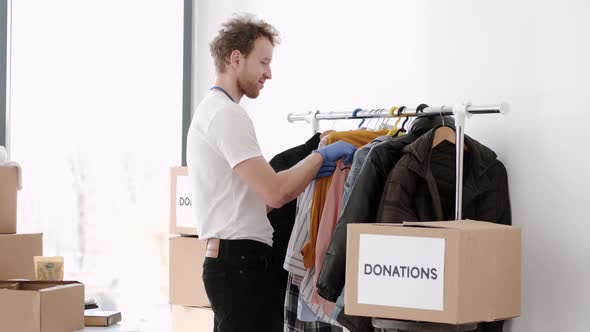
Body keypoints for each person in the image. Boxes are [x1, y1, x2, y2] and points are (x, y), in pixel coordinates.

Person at [186, 14, 356, 332]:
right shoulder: (226, 115)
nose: (269, 73)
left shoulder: (214, 112)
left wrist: (308, 170)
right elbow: (275, 193)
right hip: (239, 263)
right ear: (236, 58)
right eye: (263, 62)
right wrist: (319, 157)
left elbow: (258, 203)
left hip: (235, 262)